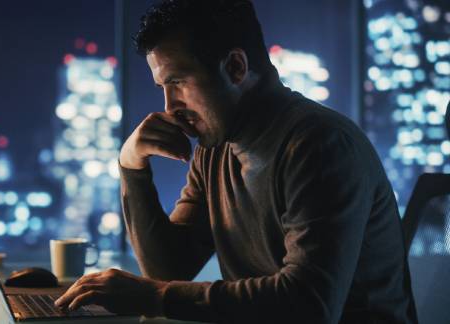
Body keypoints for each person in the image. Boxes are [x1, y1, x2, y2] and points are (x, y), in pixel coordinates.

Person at [55, 0, 418, 323]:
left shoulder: (320, 146)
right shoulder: (216, 150)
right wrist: (131, 167)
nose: (169, 106)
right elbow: (168, 268)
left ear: (236, 67)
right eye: (162, 87)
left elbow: (311, 305)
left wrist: (155, 297)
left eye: (178, 81)